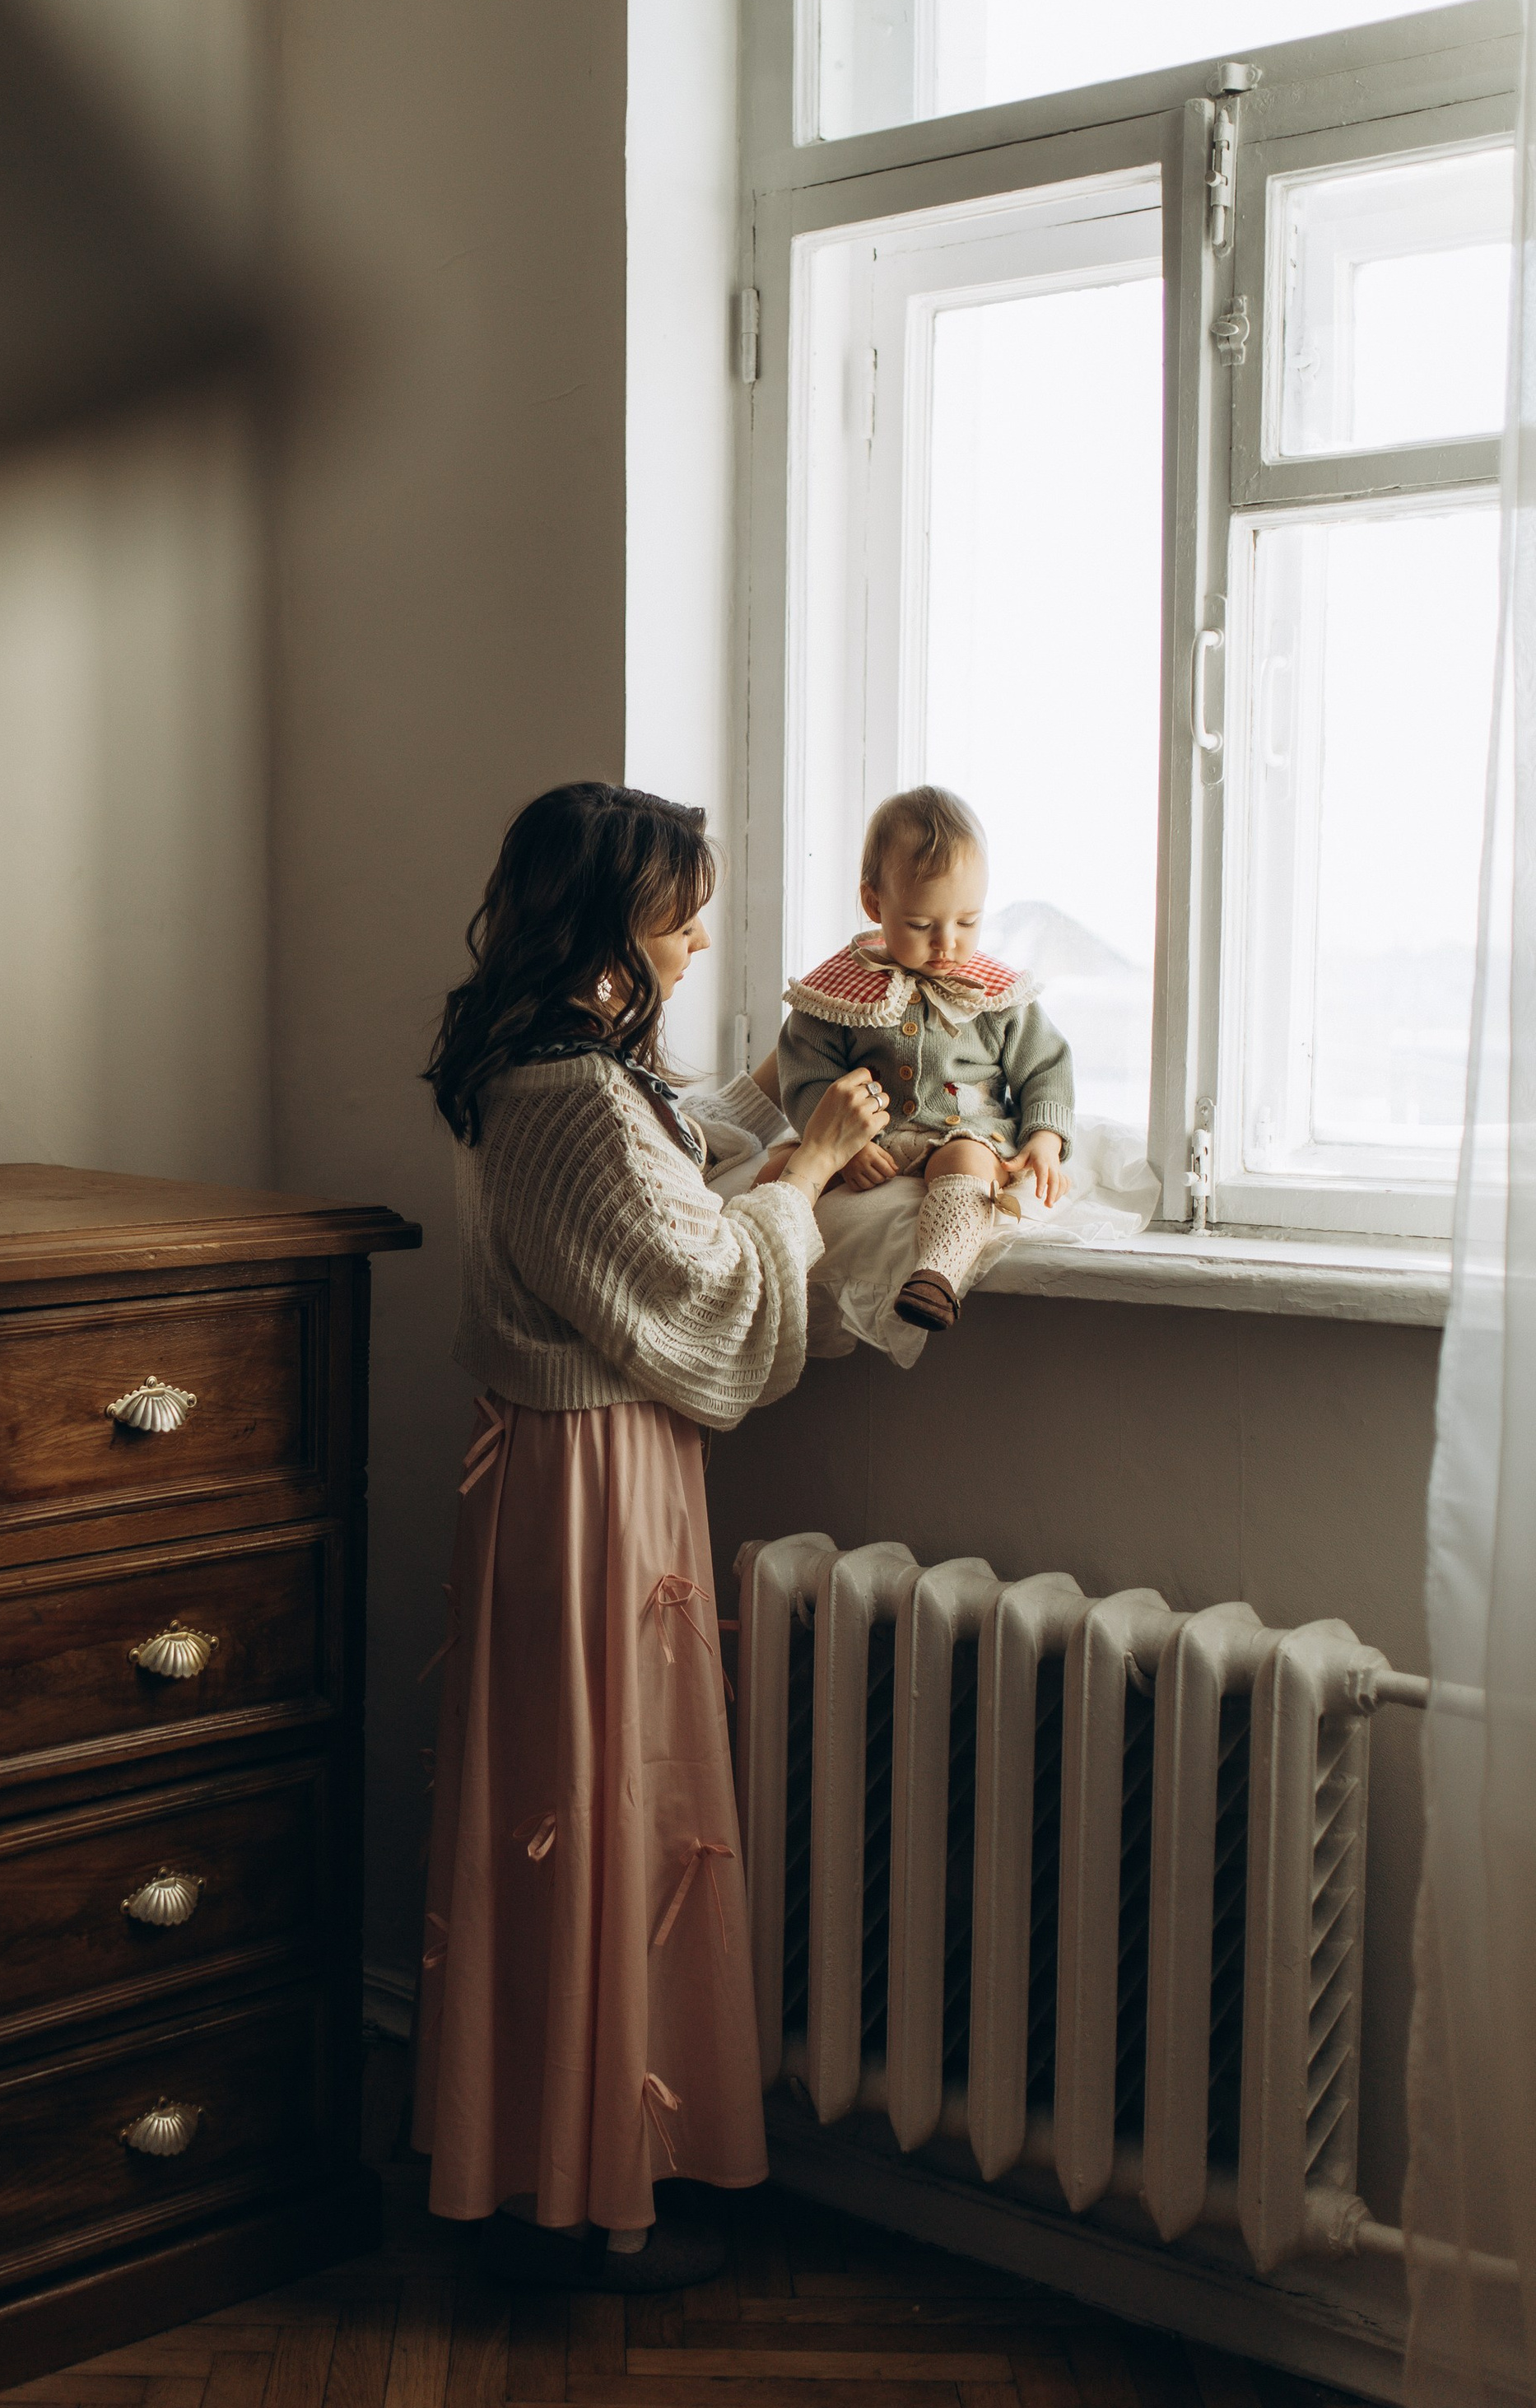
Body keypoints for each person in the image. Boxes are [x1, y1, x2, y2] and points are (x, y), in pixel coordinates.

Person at [412, 781, 884, 2290]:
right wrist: (806, 1166)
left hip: (566, 1469)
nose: (697, 934)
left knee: (584, 1799)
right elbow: (696, 1282)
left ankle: (556, 2157)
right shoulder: (570, 1099)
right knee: (607, 1801)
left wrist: (778, 1120)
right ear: (610, 918)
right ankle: (592, 2195)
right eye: (681, 908)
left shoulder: (541, 1065)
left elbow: (663, 1202)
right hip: (591, 1477)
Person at [774, 785, 1074, 1332]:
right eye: (920, 925)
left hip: (965, 1131)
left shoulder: (996, 994)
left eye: (967, 922)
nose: (948, 944)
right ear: (875, 904)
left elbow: (1045, 1067)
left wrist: (1045, 1137)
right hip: (869, 1137)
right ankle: (762, 1284)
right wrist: (845, 1147)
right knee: (776, 1173)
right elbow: (805, 1075)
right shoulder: (838, 991)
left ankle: (937, 1274)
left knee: (970, 1167)